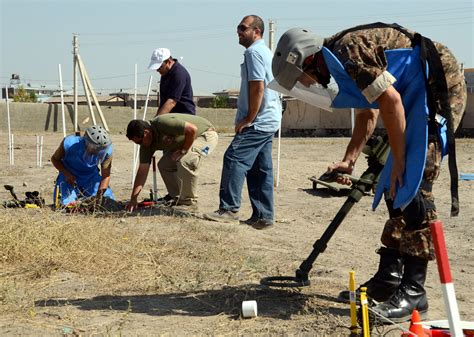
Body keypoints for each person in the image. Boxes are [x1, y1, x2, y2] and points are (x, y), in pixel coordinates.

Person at [271, 23, 466, 322]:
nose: (306, 85)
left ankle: (415, 293)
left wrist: (400, 159)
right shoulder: (339, 62)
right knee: (392, 186)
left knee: (414, 185)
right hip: (411, 95)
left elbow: (391, 101)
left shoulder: (349, 53)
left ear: (310, 61)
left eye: (301, 78)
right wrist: (349, 160)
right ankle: (389, 278)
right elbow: (368, 111)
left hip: (439, 87)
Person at [204, 15, 282, 230]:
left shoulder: (253, 52)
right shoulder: (266, 52)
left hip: (258, 121)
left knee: (234, 157)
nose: (238, 32)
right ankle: (264, 216)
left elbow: (258, 86)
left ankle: (229, 209)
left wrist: (249, 118)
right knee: (260, 168)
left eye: (243, 28)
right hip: (270, 119)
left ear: (256, 31)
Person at [126, 114, 218, 212]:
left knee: (186, 160)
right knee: (164, 165)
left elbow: (192, 129)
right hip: (186, 142)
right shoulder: (146, 146)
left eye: (140, 142)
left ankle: (189, 203)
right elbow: (142, 172)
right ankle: (178, 198)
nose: (140, 145)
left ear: (146, 132)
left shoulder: (162, 123)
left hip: (205, 135)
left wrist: (183, 150)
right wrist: (133, 198)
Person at [51, 125, 115, 206]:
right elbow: (55, 159)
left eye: (100, 150)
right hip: (69, 177)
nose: (97, 151)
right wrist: (66, 174)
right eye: (94, 148)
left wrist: (99, 197)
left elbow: (106, 176)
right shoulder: (69, 144)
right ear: (86, 142)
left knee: (108, 201)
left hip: (91, 177)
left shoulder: (107, 151)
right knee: (66, 204)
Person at [148, 47, 195, 116]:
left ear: (169, 61)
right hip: (171, 115)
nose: (157, 70)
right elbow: (163, 102)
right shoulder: (165, 74)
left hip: (184, 115)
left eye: (160, 67)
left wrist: (156, 121)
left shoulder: (179, 74)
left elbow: (172, 102)